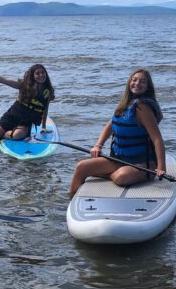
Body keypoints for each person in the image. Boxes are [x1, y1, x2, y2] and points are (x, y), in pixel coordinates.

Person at [68, 69, 167, 198]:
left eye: (143, 81)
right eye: (134, 80)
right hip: (118, 159)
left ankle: (105, 173)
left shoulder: (143, 107)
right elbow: (110, 125)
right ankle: (71, 200)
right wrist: (98, 145)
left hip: (142, 163)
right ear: (129, 82)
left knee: (121, 177)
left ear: (148, 87)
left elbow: (157, 139)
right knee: (81, 167)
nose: (137, 83)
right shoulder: (125, 104)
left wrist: (161, 167)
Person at [0, 63, 55, 147]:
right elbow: (5, 80)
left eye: (43, 72)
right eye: (37, 73)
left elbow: (45, 108)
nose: (41, 75)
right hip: (10, 117)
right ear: (32, 76)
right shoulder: (24, 85)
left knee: (17, 135)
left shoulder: (48, 91)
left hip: (25, 123)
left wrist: (43, 126)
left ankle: (3, 135)